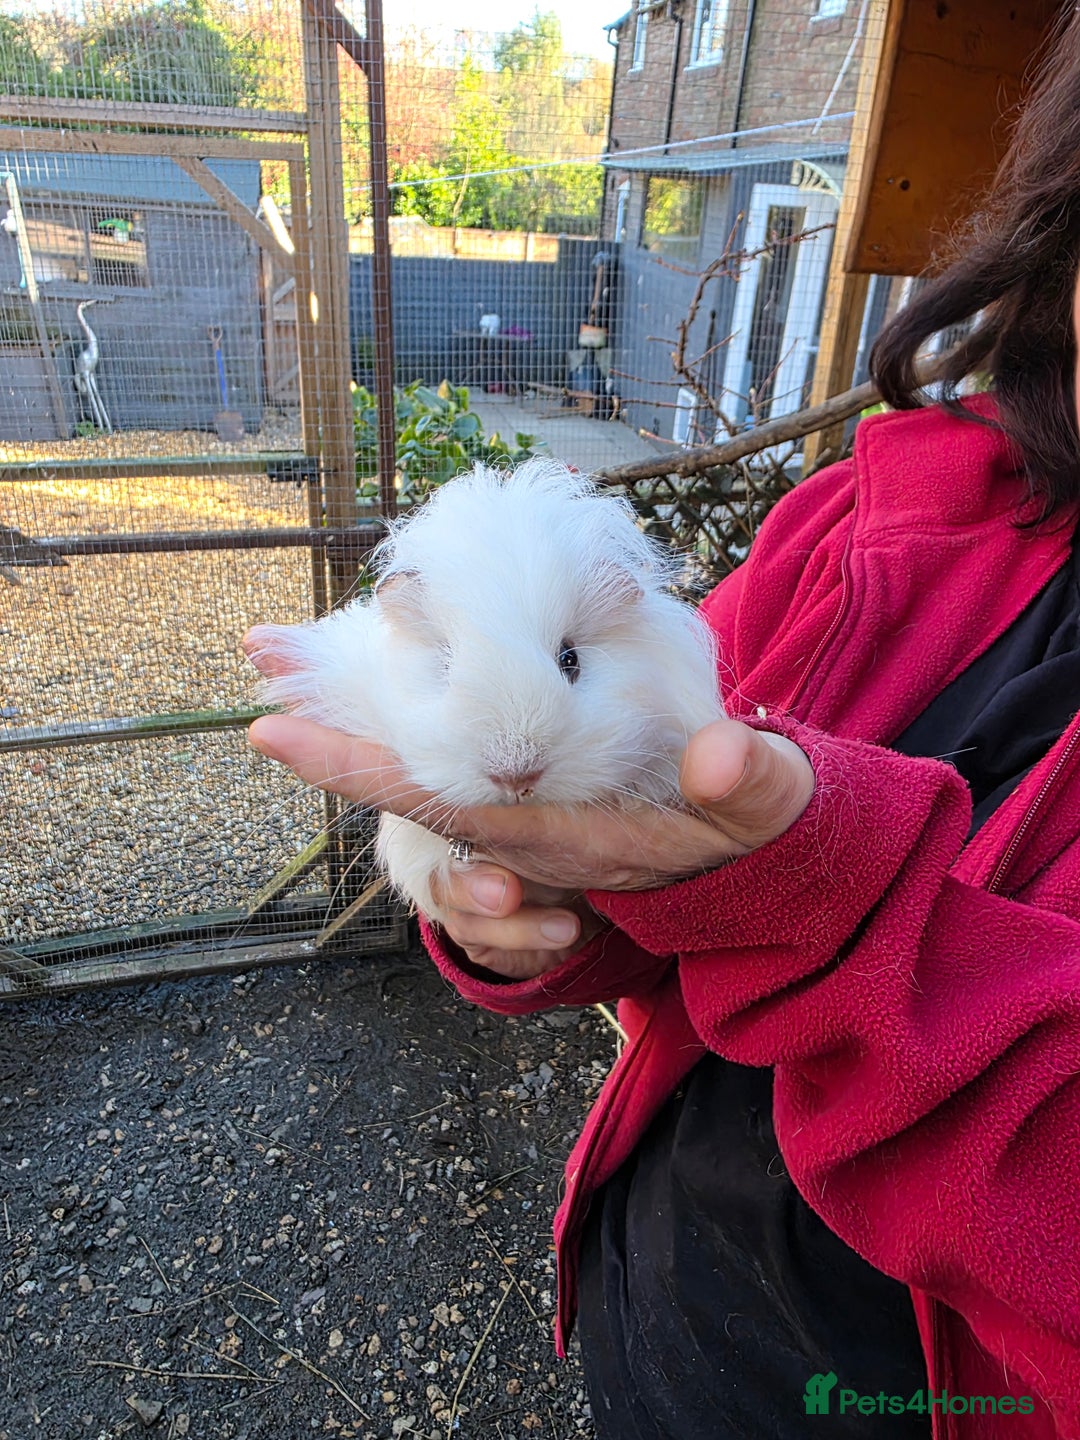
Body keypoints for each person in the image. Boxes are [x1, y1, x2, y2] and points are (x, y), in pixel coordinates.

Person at [245, 17, 1080, 1436]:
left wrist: (805, 896)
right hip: (654, 1308)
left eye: (574, 664)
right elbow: (650, 896)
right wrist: (519, 912)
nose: (517, 742)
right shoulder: (858, 519)